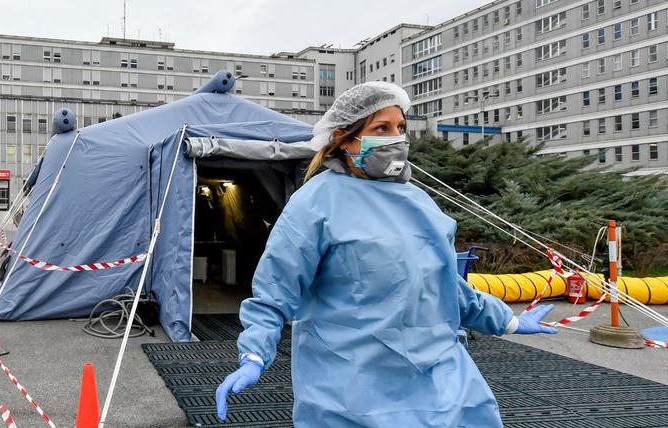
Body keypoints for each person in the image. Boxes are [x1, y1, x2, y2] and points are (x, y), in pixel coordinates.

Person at [214, 82, 557, 427]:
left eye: (401, 128)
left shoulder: (419, 202)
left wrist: (507, 320)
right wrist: (255, 354)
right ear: (344, 138)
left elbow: (444, 286)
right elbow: (276, 290)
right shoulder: (315, 205)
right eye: (381, 128)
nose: (396, 138)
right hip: (352, 386)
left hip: (441, 379)